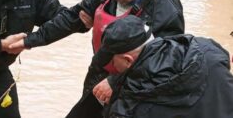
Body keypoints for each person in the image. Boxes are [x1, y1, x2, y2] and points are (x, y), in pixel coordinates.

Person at [8, 0, 185, 117]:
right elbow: (71, 18)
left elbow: (168, 64)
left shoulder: (165, 4)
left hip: (136, 91)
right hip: (98, 77)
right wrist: (30, 40)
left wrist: (116, 82)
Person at [91, 15, 233, 118]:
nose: (113, 68)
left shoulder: (128, 109)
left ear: (128, 60)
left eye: (112, 61)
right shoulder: (208, 50)